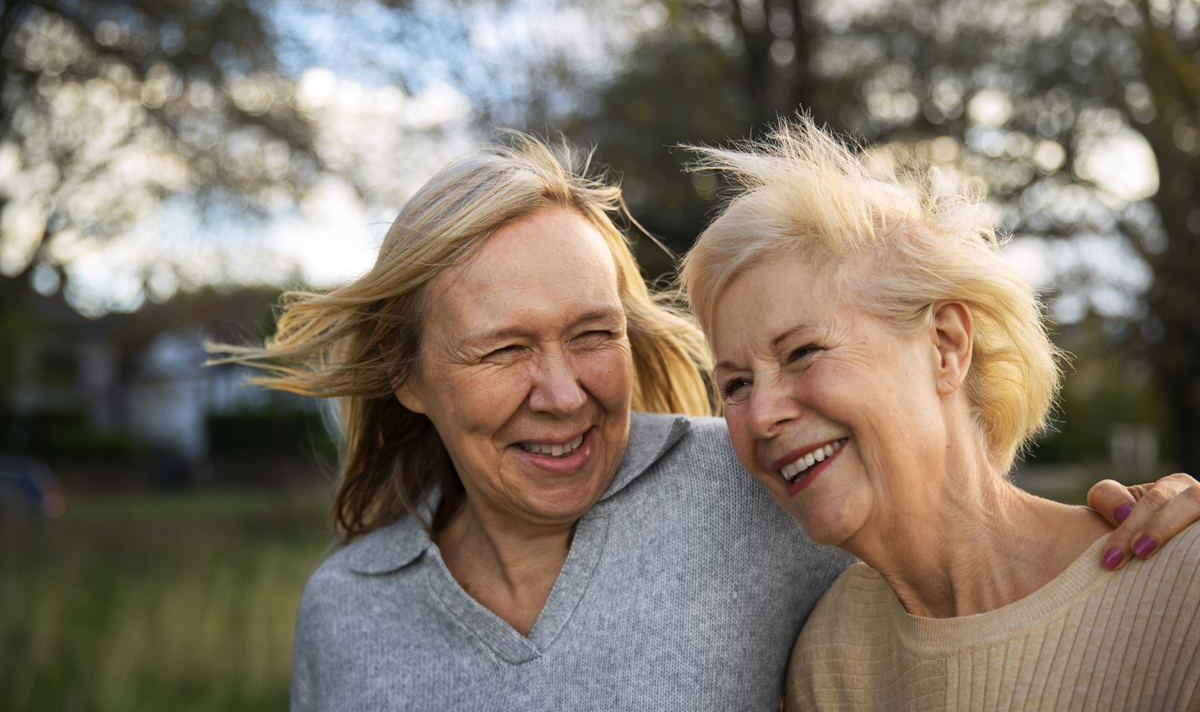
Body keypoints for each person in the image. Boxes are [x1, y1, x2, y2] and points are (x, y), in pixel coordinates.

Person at [217, 135, 1197, 711]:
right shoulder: (347, 612)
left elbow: (948, 521)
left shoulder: (752, 487)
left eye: (590, 333)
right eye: (504, 348)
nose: (560, 392)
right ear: (410, 374)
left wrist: (1160, 528)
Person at [681, 118, 1200, 711]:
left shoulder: (1181, 589)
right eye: (737, 384)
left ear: (946, 346)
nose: (762, 414)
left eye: (803, 352)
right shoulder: (830, 660)